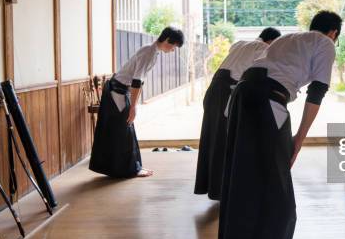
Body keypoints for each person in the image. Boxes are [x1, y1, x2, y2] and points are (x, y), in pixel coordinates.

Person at [217, 11, 342, 239]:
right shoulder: (325, 43)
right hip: (266, 100)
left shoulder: (290, 38)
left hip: (242, 95)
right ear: (334, 32)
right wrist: (299, 139)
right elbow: (317, 92)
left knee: (247, 175)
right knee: (277, 178)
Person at [194, 27, 282, 200]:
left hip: (214, 90)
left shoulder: (240, 43)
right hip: (227, 92)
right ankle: (222, 191)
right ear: (272, 41)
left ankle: (214, 187)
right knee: (225, 140)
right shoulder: (263, 49)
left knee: (212, 138)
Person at [89, 27, 184, 178]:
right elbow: (136, 81)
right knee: (125, 128)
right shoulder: (149, 53)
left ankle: (126, 168)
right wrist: (133, 107)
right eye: (174, 46)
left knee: (122, 129)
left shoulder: (151, 51)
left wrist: (133, 104)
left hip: (119, 90)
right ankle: (131, 169)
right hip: (117, 91)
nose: (173, 50)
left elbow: (137, 81)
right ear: (167, 41)